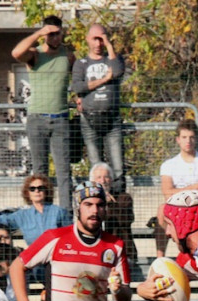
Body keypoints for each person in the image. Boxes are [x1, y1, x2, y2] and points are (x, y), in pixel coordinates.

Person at [11, 15, 74, 211]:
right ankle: (42, 213)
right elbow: (16, 53)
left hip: (61, 119)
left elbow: (80, 78)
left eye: (57, 34)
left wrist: (79, 96)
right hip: (37, 119)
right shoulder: (35, 55)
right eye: (50, 34)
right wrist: (38, 33)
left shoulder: (69, 56)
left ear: (62, 33)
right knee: (40, 172)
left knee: (64, 172)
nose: (54, 38)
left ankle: (65, 215)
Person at [154, 119, 198, 257]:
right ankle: (159, 258)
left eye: (191, 137)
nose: (188, 141)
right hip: (176, 207)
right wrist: (194, 187)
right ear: (178, 139)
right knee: (161, 209)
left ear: (196, 139)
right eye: (184, 137)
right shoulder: (168, 165)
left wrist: (179, 191)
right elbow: (167, 194)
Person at [72, 23, 126, 193]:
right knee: (96, 169)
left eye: (102, 39)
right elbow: (78, 87)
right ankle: (97, 200)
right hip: (89, 118)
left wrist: (110, 46)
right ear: (88, 39)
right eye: (95, 39)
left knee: (117, 168)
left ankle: (118, 206)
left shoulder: (113, 59)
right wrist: (104, 80)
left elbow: (117, 72)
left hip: (112, 119)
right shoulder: (81, 63)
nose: (98, 43)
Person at [0, 174, 72, 247]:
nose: (36, 191)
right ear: (28, 193)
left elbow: (71, 235)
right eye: (32, 189)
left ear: (46, 191)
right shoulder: (22, 215)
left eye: (40, 188)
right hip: (34, 257)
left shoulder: (59, 211)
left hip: (56, 255)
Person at [90, 162, 138, 272]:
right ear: (92, 181)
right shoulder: (88, 202)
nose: (103, 181)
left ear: (111, 180)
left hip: (122, 253)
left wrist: (109, 203)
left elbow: (126, 219)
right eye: (99, 177)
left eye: (106, 177)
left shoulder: (124, 198)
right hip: (95, 253)